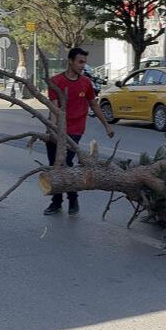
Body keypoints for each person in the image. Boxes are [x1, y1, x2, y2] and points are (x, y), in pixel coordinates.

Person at [44, 47, 115, 216]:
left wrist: (107, 125)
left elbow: (94, 104)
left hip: (75, 129)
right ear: (70, 61)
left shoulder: (86, 83)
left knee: (66, 164)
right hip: (57, 129)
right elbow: (54, 108)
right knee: (55, 166)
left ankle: (72, 199)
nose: (83, 65)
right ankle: (57, 202)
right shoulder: (56, 81)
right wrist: (52, 133)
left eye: (84, 62)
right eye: (80, 62)